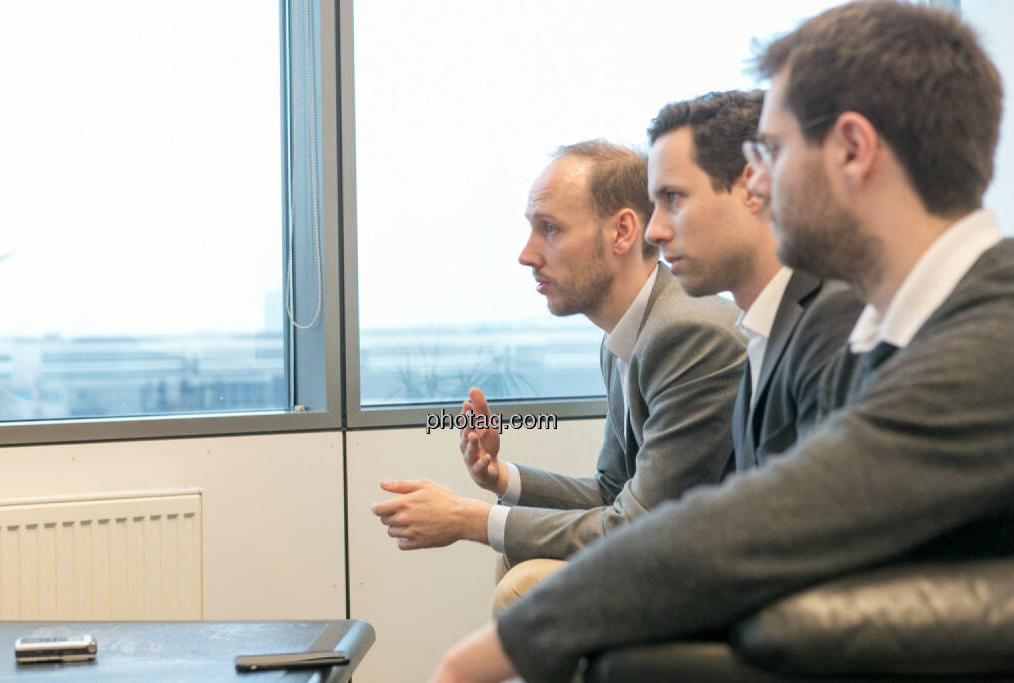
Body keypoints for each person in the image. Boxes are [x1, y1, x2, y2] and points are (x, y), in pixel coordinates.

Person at [431, 2, 1012, 681]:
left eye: (770, 152)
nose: (755, 183)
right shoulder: (902, 326)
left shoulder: (986, 344)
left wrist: (485, 653)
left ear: (853, 151)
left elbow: (769, 518)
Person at [371, 141, 746, 612]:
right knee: (519, 563)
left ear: (623, 232)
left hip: (730, 582)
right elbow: (613, 491)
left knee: (525, 582)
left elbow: (637, 523)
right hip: (676, 554)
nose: (526, 255)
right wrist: (502, 478)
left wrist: (470, 520)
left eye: (549, 228)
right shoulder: (625, 338)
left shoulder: (688, 335)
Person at [644, 90, 862, 472]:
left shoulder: (835, 317)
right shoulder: (765, 325)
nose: (654, 231)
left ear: (752, 185)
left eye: (673, 198)